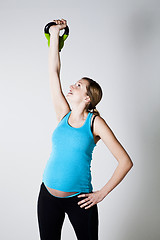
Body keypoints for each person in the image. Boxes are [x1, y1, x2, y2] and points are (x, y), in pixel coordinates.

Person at [37, 19, 133, 240]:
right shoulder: (63, 113)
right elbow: (54, 73)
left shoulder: (95, 123)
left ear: (87, 98)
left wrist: (101, 194)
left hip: (80, 200)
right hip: (47, 196)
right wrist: (54, 36)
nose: (71, 86)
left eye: (78, 85)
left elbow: (125, 161)